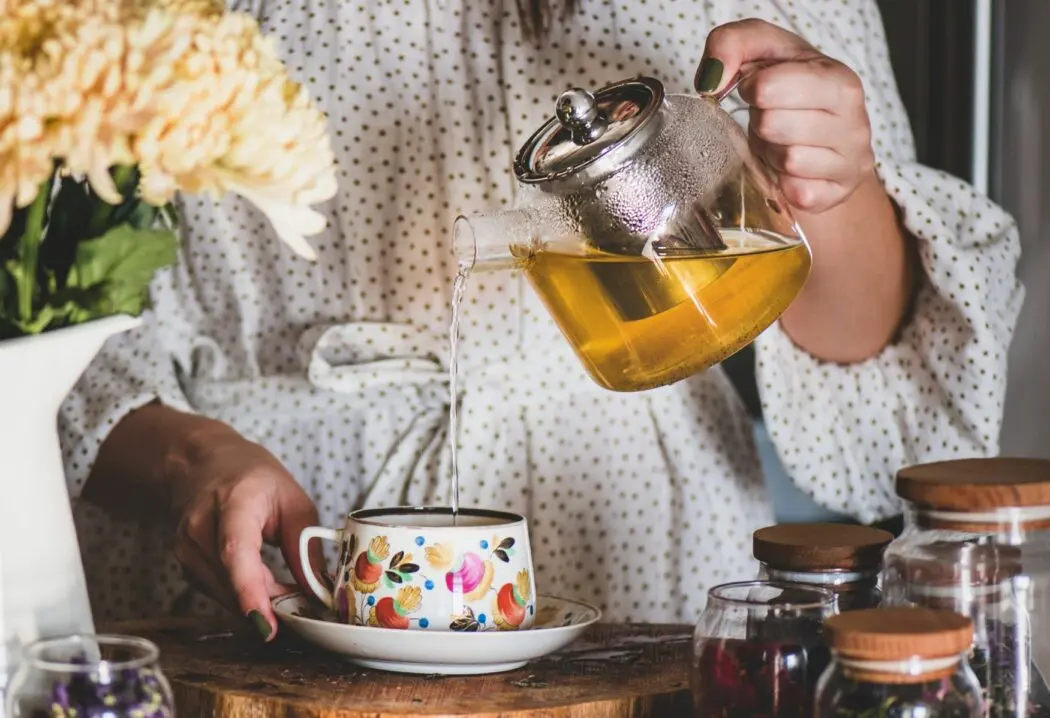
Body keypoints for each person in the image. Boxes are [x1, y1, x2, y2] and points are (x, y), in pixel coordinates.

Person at [59, 0, 1022, 640]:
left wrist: (831, 185)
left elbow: (872, 359)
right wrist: (193, 460)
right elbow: (49, 325)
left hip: (637, 550)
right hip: (278, 559)